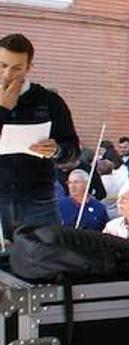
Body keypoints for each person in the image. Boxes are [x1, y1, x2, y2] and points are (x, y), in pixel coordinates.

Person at [0, 33, 79, 239]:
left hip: (39, 202)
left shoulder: (50, 101)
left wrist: (57, 150)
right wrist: (3, 109)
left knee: (44, 262)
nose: (8, 74)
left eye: (17, 68)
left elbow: (73, 152)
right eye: (2, 65)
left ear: (28, 68)